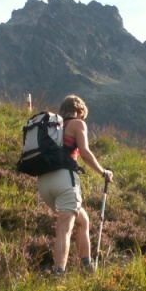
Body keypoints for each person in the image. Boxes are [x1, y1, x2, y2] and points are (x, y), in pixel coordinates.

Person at [36, 94, 114, 275]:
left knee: (83, 221)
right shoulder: (77, 124)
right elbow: (85, 153)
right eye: (82, 114)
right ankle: (58, 273)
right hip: (64, 180)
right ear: (79, 110)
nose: (82, 118)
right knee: (64, 229)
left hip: (44, 182)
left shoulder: (54, 127)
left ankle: (88, 267)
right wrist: (103, 172)